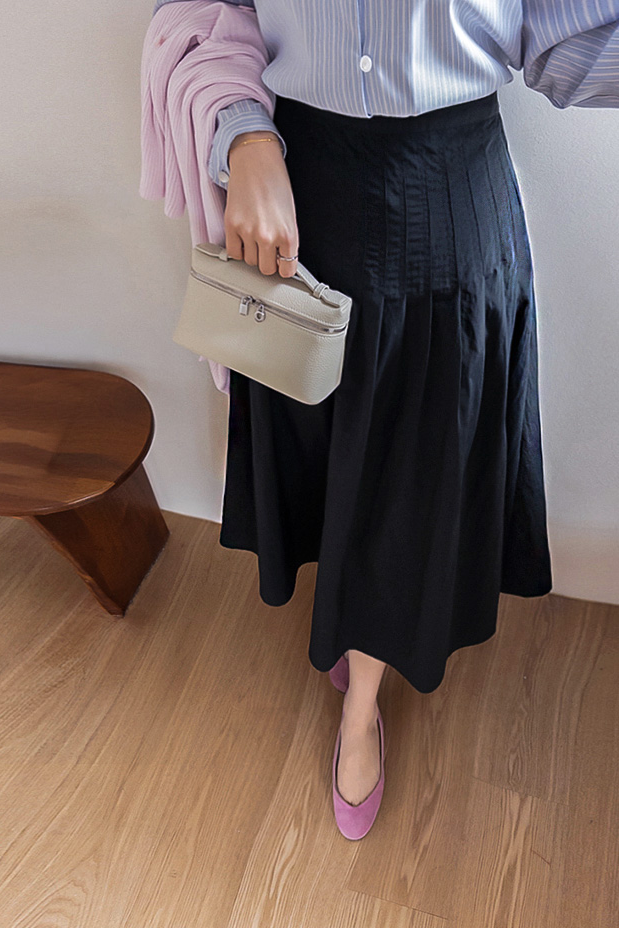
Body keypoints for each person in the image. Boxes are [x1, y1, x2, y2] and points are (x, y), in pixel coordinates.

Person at [147, 0, 619, 840]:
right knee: (323, 446)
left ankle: (361, 705)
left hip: (449, 196)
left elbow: (569, 40)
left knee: (413, 478)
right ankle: (349, 620)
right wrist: (245, 135)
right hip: (296, 187)